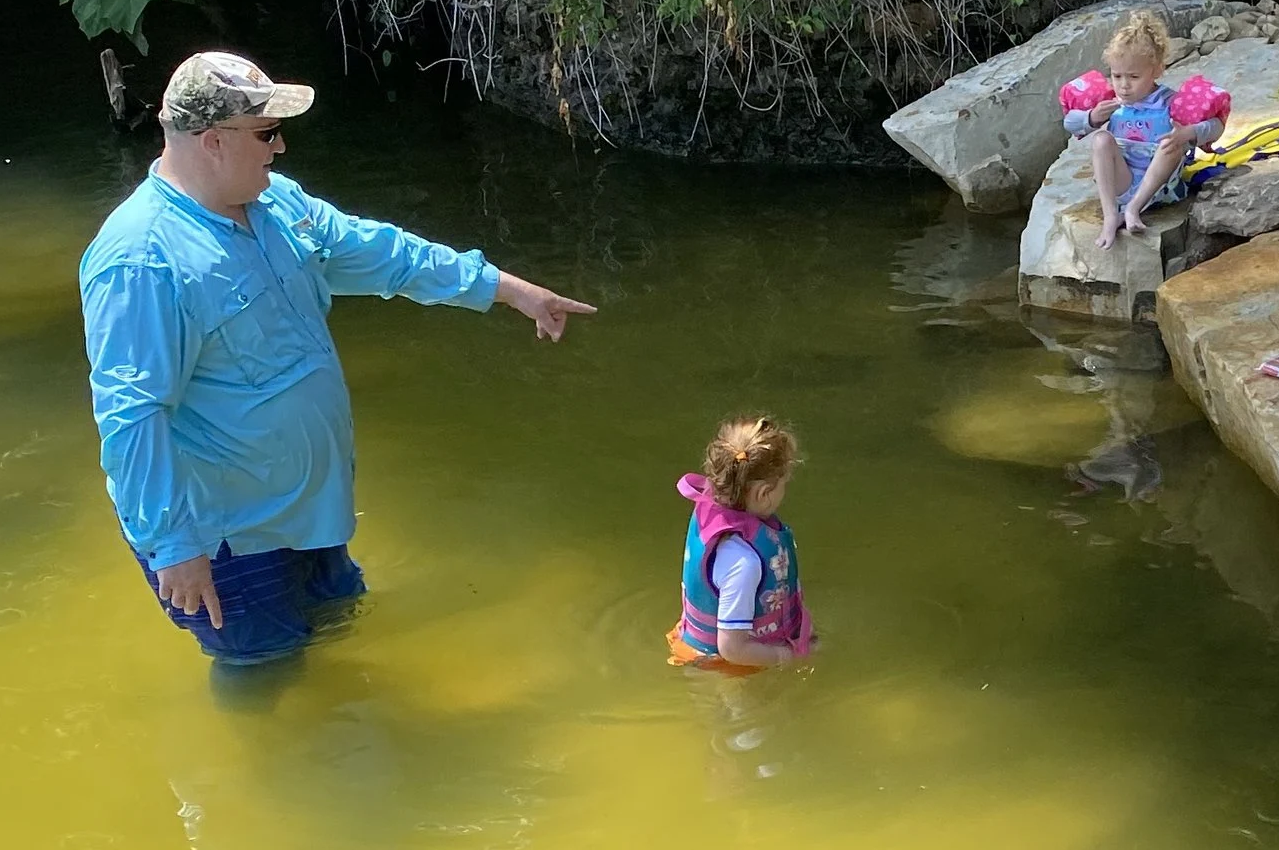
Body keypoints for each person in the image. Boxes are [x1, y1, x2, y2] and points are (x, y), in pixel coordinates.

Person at [79, 48, 594, 664]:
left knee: (343, 636)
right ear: (212, 141)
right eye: (266, 133)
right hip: (227, 542)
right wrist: (172, 547)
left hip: (309, 513)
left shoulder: (276, 205)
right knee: (268, 679)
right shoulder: (140, 261)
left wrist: (508, 290)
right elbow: (132, 417)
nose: (279, 148)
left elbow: (387, 255)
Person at [1059, 11, 1229, 250]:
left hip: (1160, 187)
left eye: (1134, 76)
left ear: (1157, 70)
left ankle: (1133, 209)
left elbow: (1217, 126)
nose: (1124, 85)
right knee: (1100, 140)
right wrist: (1091, 117)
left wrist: (1187, 133)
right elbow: (1069, 123)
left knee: (1172, 144)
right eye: (1117, 76)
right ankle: (1111, 215)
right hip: (1122, 181)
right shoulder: (1111, 103)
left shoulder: (1170, 102)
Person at [669, 414, 816, 669]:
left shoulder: (710, 512)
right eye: (783, 484)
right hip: (725, 670)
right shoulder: (744, 563)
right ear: (763, 494)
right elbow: (732, 649)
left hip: (700, 646)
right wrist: (786, 659)